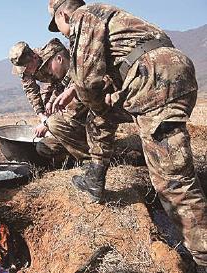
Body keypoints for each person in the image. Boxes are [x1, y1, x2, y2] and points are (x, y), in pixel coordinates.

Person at [47, 0, 207, 268]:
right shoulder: (110, 18)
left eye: (59, 27)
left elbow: (88, 81)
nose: (62, 34)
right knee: (98, 115)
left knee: (173, 183)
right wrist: (90, 99)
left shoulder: (83, 16)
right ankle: (96, 176)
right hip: (160, 74)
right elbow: (107, 70)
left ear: (64, 13)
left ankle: (203, 259)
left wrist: (93, 102)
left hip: (155, 80)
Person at [9, 39, 90, 165]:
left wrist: (49, 123)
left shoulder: (52, 56)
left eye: (28, 68)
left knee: (65, 116)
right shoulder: (26, 70)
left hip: (75, 83)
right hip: (57, 86)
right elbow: (31, 91)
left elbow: (68, 77)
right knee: (51, 117)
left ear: (35, 57)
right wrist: (42, 115)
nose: (28, 72)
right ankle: (70, 145)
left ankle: (92, 156)